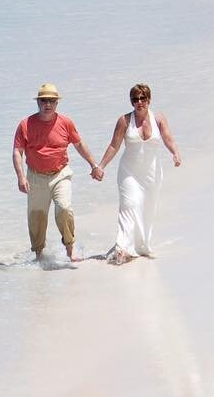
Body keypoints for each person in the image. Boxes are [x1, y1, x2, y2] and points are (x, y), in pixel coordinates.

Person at [12, 83, 104, 262]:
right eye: (44, 100)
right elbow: (17, 152)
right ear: (38, 102)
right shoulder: (25, 125)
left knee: (63, 208)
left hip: (60, 174)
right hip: (35, 176)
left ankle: (70, 249)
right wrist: (21, 177)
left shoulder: (65, 122)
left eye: (52, 101)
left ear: (57, 103)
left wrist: (94, 165)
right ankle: (39, 254)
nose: (48, 104)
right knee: (36, 215)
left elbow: (79, 144)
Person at [96, 84, 181, 264]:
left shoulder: (158, 118)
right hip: (129, 172)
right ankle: (122, 247)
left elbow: (168, 138)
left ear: (149, 99)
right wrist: (100, 166)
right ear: (131, 102)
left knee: (147, 209)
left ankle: (140, 246)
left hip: (152, 173)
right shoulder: (125, 121)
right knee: (129, 203)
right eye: (135, 99)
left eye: (143, 98)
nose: (139, 102)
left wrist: (175, 153)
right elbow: (114, 146)